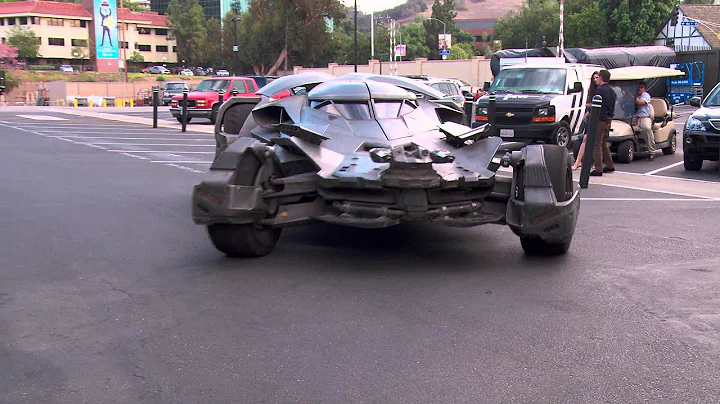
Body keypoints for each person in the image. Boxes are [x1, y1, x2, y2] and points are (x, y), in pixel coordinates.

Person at [590, 69, 616, 176]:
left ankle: (598, 168)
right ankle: (610, 165)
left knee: (597, 144)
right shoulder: (612, 91)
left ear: (601, 78)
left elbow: (596, 107)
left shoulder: (599, 91)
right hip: (608, 120)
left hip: (600, 120)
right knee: (604, 143)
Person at [572, 71, 599, 170]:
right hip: (591, 117)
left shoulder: (601, 90)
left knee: (598, 142)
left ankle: (597, 164)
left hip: (597, 118)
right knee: (585, 139)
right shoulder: (592, 90)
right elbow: (589, 105)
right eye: (594, 78)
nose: (595, 80)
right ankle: (578, 162)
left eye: (597, 78)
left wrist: (590, 106)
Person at [633, 81, 654, 160]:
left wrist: (630, 96)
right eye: (638, 87)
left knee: (647, 128)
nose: (639, 89)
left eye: (641, 87)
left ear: (644, 89)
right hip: (632, 117)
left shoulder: (645, 95)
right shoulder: (633, 95)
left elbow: (640, 102)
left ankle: (651, 151)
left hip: (644, 117)